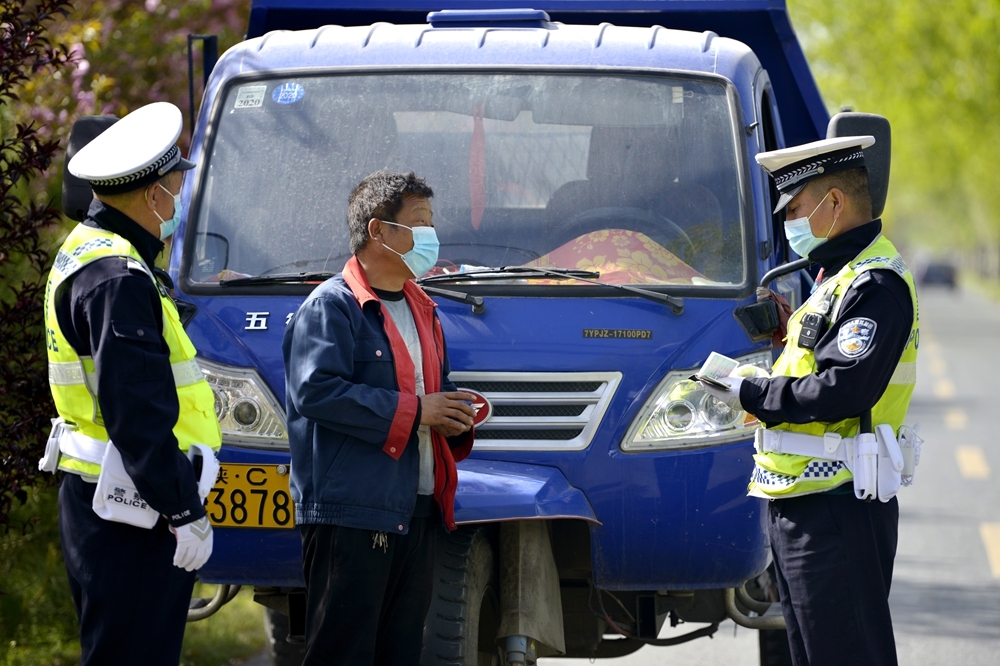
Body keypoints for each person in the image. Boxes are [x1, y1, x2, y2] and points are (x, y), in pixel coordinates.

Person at [699, 136, 918, 666]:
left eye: (795, 210)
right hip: (805, 500)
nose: (789, 224)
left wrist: (753, 391)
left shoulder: (876, 284)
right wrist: (783, 340)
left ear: (835, 204)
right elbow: (824, 364)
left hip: (838, 506)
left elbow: (844, 388)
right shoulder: (836, 280)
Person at [41, 102, 222, 666]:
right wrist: (183, 509)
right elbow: (136, 411)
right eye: (175, 186)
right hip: (131, 508)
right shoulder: (118, 277)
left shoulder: (92, 252)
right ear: (151, 197)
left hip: (111, 499)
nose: (180, 199)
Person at [282, 170, 477, 666]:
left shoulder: (423, 307)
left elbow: (432, 390)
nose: (431, 235)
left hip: (414, 506)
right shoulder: (331, 307)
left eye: (432, 222)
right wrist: (417, 412)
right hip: (352, 511)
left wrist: (453, 411)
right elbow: (315, 391)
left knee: (400, 652)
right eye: (418, 222)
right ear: (378, 231)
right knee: (342, 652)